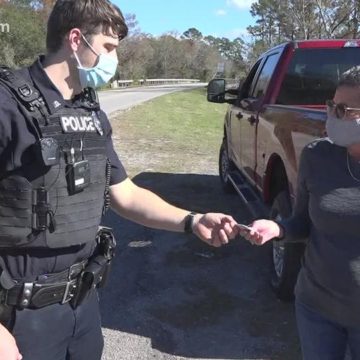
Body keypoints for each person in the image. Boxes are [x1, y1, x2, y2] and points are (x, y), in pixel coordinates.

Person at [0, 1, 240, 359]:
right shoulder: (6, 105)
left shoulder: (89, 111)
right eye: (109, 48)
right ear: (76, 39)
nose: (114, 60)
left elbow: (125, 194)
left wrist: (191, 221)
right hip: (17, 316)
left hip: (82, 305)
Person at [242, 67, 360, 360]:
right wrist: (278, 229)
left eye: (344, 110)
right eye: (332, 106)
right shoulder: (317, 155)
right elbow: (302, 222)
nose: (332, 116)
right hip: (316, 307)